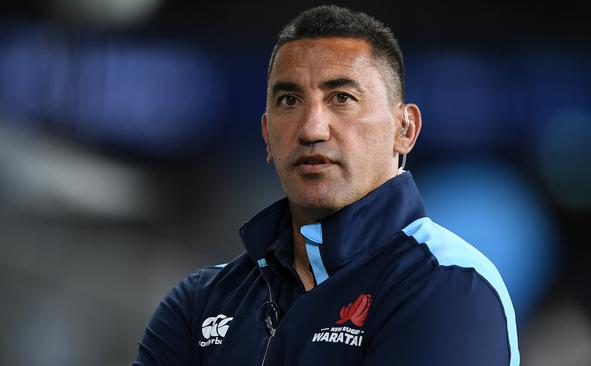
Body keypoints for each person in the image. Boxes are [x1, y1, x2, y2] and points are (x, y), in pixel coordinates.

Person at [134, 5, 519, 366]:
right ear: (267, 135)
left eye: (341, 97)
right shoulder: (200, 301)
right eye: (289, 99)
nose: (312, 129)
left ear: (405, 129)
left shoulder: (449, 285)